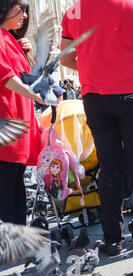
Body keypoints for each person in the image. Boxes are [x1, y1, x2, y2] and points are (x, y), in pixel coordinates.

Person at [60, 0, 133, 255]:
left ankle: (113, 238)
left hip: (95, 96)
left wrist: (91, 65)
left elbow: (66, 57)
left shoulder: (74, 11)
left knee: (109, 165)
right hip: (132, 94)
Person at [0, 0, 45, 225]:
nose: (25, 16)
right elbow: (6, 77)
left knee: (15, 179)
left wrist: (29, 52)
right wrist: (36, 95)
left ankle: (17, 234)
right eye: (21, 10)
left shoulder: (9, 37)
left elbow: (29, 74)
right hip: (7, 122)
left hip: (18, 119)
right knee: (7, 180)